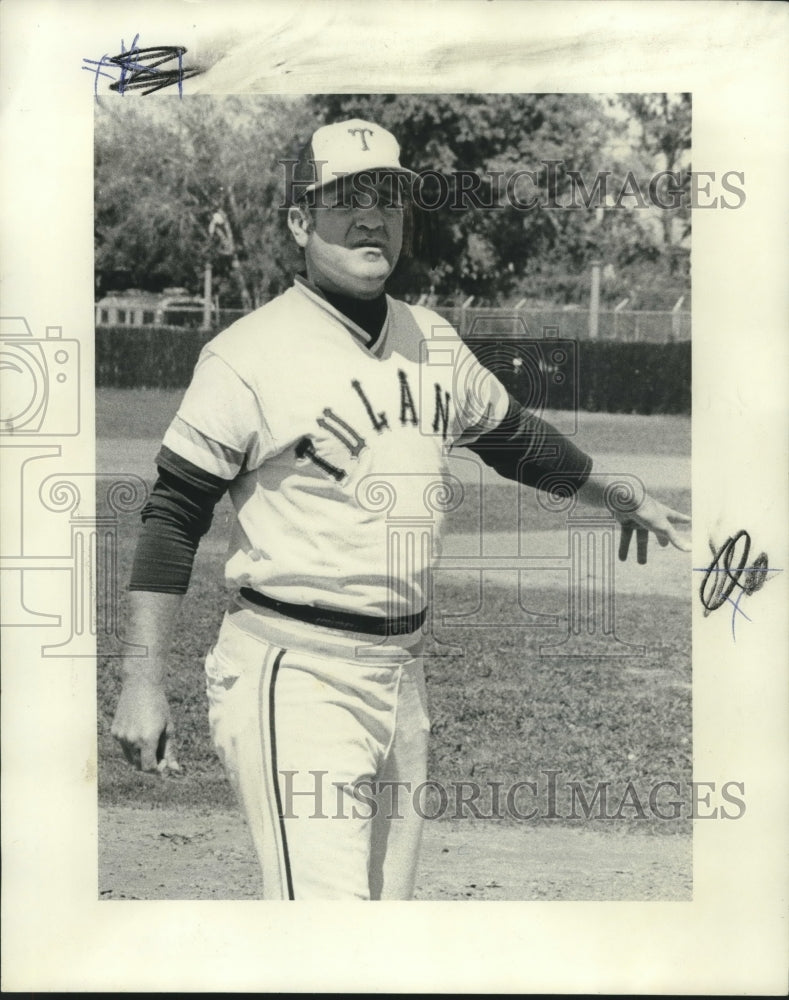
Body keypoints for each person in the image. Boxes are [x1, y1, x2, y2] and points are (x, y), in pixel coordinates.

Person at [111, 118, 691, 900]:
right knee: (329, 936)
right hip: (294, 671)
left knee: (385, 933)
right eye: (346, 197)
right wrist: (143, 680)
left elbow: (515, 440)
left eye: (387, 198)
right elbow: (174, 513)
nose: (370, 216)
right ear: (298, 221)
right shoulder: (246, 355)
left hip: (402, 673)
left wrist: (617, 494)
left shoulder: (433, 341)